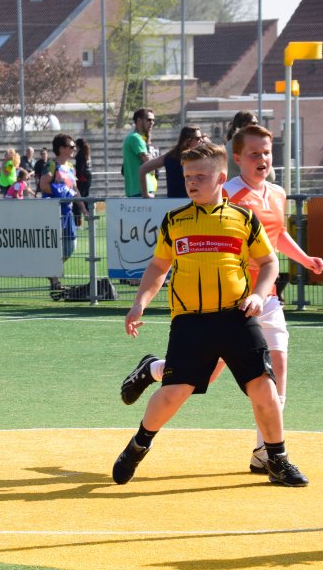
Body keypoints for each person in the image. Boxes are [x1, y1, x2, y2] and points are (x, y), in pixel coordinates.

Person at [120, 125, 323, 475]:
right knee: (178, 391)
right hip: (191, 320)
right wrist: (140, 302)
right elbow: (158, 265)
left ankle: (275, 456)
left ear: (219, 178)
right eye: (188, 176)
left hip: (239, 313)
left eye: (200, 175)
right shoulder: (176, 221)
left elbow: (271, 257)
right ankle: (139, 443)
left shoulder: (246, 216)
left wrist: (261, 293)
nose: (192, 181)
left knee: (265, 385)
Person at [40, 134, 88, 292]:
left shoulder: (71, 167)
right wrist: (60, 191)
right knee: (56, 247)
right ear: (61, 149)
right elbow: (43, 185)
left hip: (67, 212)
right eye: (71, 146)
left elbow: (75, 191)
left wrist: (84, 210)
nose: (74, 149)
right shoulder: (52, 165)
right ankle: (55, 280)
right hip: (53, 212)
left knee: (70, 246)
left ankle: (50, 271)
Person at [137, 125, 204, 199]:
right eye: (198, 138)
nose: (201, 141)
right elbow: (142, 169)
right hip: (177, 204)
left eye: (201, 138)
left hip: (188, 203)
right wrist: (145, 195)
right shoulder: (170, 157)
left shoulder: (198, 158)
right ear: (188, 141)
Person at [123, 108, 157, 197]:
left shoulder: (139, 138)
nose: (152, 123)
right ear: (139, 121)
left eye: (153, 120)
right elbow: (149, 164)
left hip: (139, 190)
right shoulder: (135, 138)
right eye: (149, 120)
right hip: (141, 190)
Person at [224, 109, 259, 180]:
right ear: (242, 125)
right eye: (253, 123)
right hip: (240, 188)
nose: (257, 127)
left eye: (256, 123)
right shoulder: (241, 146)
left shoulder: (231, 143)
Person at [73, 138, 92, 226]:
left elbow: (79, 170)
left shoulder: (80, 155)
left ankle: (77, 223)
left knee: (77, 201)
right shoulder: (86, 154)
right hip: (88, 179)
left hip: (82, 179)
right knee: (85, 199)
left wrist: (76, 178)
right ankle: (90, 221)